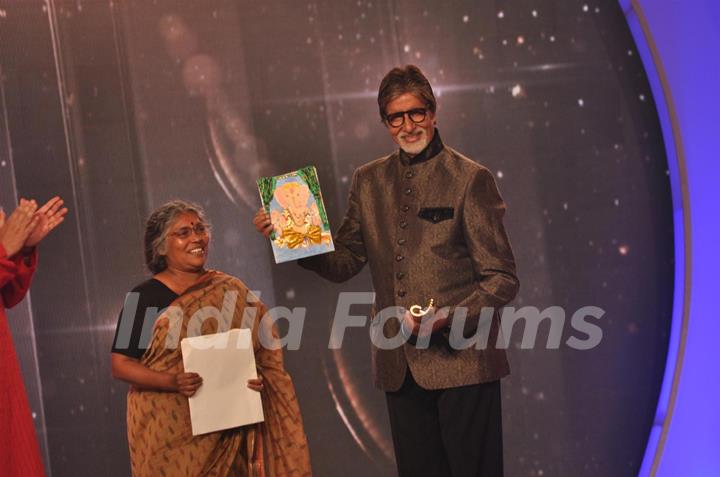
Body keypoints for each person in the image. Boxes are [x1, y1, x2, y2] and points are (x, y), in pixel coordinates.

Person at [254, 65, 519, 477]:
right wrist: (292, 239)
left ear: (433, 113)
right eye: (396, 117)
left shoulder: (470, 179)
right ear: (385, 122)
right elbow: (343, 262)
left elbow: (501, 278)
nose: (408, 125)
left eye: (416, 113)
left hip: (464, 361)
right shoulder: (369, 180)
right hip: (400, 367)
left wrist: (447, 317)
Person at [111, 200, 311, 477]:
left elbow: (260, 353)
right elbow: (120, 364)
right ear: (160, 247)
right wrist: (172, 382)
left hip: (228, 432)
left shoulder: (230, 289)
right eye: (183, 233)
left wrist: (257, 378)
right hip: (168, 433)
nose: (196, 238)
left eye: (200, 229)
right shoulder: (143, 298)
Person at [1, 197, 68, 477]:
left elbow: (9, 294)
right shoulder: (145, 299)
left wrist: (22, 248)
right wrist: (5, 251)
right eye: (183, 232)